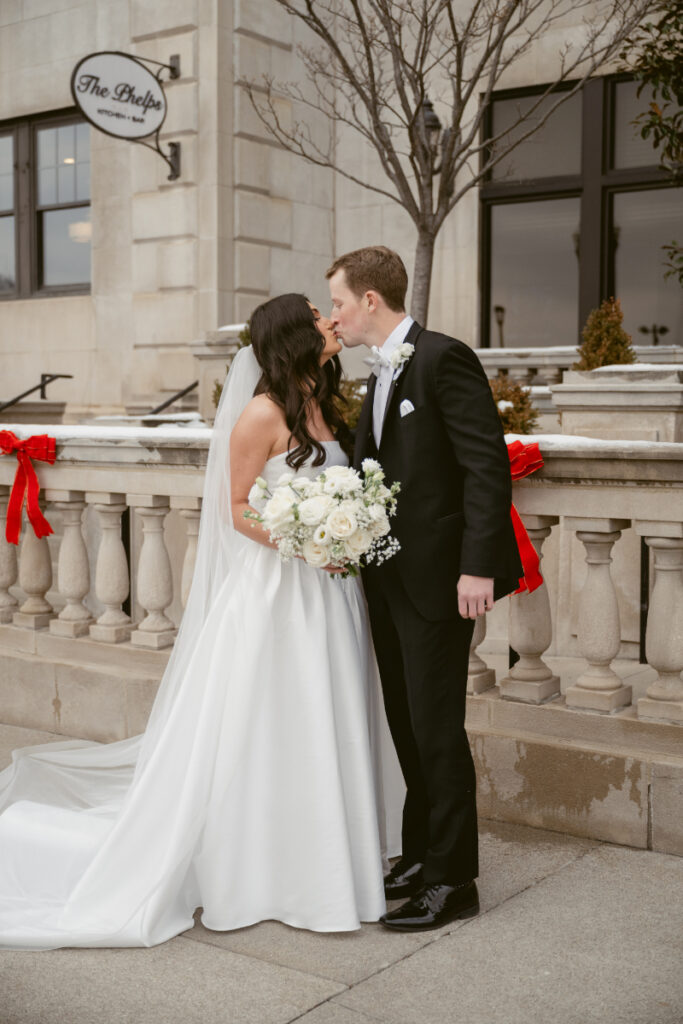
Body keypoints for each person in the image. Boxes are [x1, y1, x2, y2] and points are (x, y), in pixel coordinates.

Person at [0, 293, 402, 950]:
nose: (330, 321)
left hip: (329, 595)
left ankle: (320, 856)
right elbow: (235, 509)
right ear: (291, 337)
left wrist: (347, 535)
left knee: (323, 713)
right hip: (279, 592)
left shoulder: (320, 405)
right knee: (274, 718)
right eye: (316, 316)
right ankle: (259, 871)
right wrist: (305, 542)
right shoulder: (261, 415)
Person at [327, 246, 522, 932]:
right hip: (385, 578)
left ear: (370, 301)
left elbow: (483, 467)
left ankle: (452, 879)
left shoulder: (442, 357)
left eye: (339, 304)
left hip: (440, 580)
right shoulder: (376, 374)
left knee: (437, 730)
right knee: (408, 727)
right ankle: (418, 854)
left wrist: (476, 567)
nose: (334, 318)